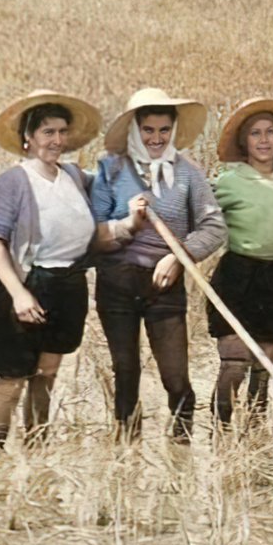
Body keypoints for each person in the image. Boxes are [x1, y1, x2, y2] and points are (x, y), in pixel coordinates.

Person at [92, 88, 227, 441]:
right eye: (148, 130)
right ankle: (127, 446)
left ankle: (182, 445)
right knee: (126, 370)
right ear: (134, 130)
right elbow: (92, 233)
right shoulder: (110, 169)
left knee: (175, 375)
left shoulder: (188, 173)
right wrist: (129, 225)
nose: (156, 138)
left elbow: (214, 227)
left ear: (173, 130)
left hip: (165, 283)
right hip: (116, 282)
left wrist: (179, 256)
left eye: (164, 130)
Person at [0, 90, 102, 448]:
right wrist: (19, 294)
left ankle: (37, 451)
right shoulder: (10, 182)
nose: (56, 140)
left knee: (47, 373)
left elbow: (115, 183)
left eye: (62, 132)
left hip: (68, 284)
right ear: (28, 138)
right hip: (25, 284)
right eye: (48, 132)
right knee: (13, 377)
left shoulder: (74, 175)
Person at [209, 98, 273, 426]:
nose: (263, 140)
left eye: (270, 132)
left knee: (263, 365)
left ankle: (255, 435)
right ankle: (221, 429)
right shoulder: (228, 181)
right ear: (244, 142)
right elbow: (201, 217)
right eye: (255, 133)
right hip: (237, 276)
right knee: (234, 362)